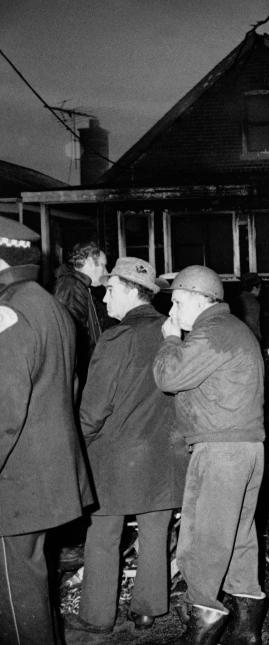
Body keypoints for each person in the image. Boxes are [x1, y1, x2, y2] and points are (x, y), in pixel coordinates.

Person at [68, 257, 186, 635]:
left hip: (119, 459)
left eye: (110, 290)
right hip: (166, 455)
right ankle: (149, 609)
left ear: (131, 291)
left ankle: (97, 616)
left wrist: (75, 444)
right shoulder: (173, 333)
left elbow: (93, 409)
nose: (104, 300)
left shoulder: (117, 337)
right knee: (155, 531)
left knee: (103, 534)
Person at [152, 265, 267, 643]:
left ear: (201, 299)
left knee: (203, 536)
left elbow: (169, 378)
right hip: (246, 447)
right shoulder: (236, 330)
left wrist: (170, 340)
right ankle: (246, 629)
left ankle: (202, 622)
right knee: (238, 535)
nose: (173, 312)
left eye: (177, 302)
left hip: (221, 450)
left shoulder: (212, 332)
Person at [0, 218, 94, 644]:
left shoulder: (9, 312)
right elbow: (69, 389)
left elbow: (4, 408)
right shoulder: (50, 307)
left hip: (16, 484)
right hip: (49, 474)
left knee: (15, 597)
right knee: (31, 588)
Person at [53, 240, 109, 391]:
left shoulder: (80, 285)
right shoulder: (71, 286)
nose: (106, 272)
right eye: (103, 265)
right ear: (90, 261)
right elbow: (71, 335)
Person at [237, 272, 262, 341]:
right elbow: (252, 325)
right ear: (254, 288)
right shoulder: (253, 303)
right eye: (259, 287)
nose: (260, 290)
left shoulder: (239, 299)